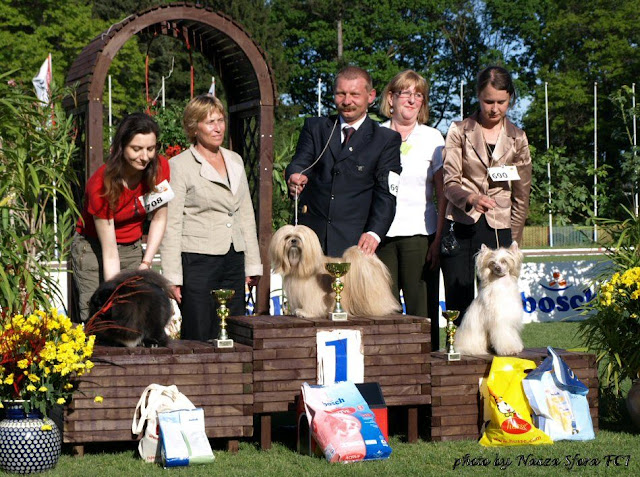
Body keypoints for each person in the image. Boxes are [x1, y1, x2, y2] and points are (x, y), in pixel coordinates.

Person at [160, 94, 262, 341]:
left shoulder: (235, 160)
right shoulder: (179, 165)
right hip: (198, 261)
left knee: (234, 329)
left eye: (220, 120)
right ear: (194, 128)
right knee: (200, 329)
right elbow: (171, 224)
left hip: (234, 257)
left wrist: (252, 264)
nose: (218, 128)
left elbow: (246, 214)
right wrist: (172, 277)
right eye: (210, 122)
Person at [441, 65, 532, 323]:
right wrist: (470, 198)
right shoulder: (459, 130)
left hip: (499, 230)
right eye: (488, 101)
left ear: (510, 98)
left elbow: (521, 194)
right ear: (478, 97)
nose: (494, 108)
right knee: (459, 302)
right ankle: (459, 346)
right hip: (460, 224)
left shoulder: (518, 138)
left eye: (501, 102)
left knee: (496, 306)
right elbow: (449, 182)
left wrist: (514, 240)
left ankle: (496, 348)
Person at [286, 66, 402, 257]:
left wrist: (374, 233)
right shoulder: (315, 127)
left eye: (355, 94)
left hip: (355, 245)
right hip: (310, 242)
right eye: (341, 94)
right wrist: (295, 176)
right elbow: (299, 162)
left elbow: (386, 193)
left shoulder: (386, 139)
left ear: (371, 96)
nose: (347, 101)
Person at [71, 113, 170, 322]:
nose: (145, 157)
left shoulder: (159, 168)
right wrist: (114, 296)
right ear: (121, 147)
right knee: (101, 315)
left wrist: (146, 263)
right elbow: (110, 252)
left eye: (150, 149)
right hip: (95, 249)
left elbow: (159, 218)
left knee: (134, 314)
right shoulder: (101, 186)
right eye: (136, 149)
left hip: (132, 247)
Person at [377, 70, 446, 344]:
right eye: (405, 93)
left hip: (420, 236)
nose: (411, 99)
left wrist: (438, 239)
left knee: (422, 313)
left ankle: (427, 362)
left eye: (418, 95)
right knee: (384, 312)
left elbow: (442, 194)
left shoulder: (433, 138)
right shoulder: (374, 134)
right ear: (390, 98)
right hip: (380, 237)